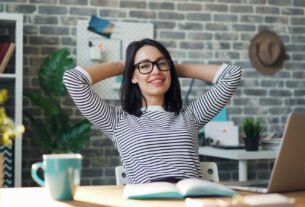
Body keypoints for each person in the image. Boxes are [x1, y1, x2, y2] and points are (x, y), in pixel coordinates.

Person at [63, 38, 242, 184]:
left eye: (161, 63)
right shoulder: (117, 121)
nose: (155, 71)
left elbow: (231, 75)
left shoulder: (191, 116)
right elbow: (73, 80)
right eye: (145, 66)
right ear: (132, 75)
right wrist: (123, 65)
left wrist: (170, 69)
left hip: (190, 202)